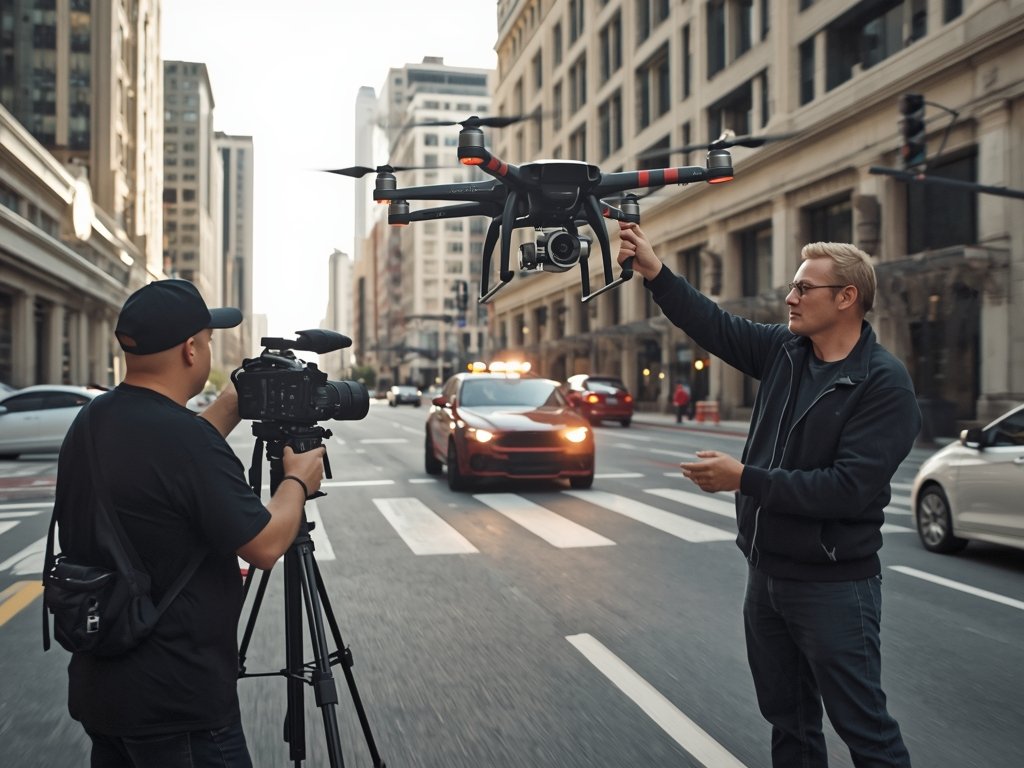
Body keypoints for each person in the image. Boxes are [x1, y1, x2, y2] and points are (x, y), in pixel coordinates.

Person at [618, 224, 919, 768]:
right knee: (789, 723)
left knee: (865, 731)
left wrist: (745, 478)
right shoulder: (786, 352)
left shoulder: (883, 383)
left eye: (806, 288)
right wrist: (657, 273)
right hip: (767, 577)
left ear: (847, 298)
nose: (790, 297)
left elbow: (847, 490)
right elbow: (715, 325)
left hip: (834, 586)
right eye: (793, 287)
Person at [52, 279, 326, 767]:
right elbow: (265, 545)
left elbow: (166, 461)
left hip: (104, 689)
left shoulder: (92, 420)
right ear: (191, 349)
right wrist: (298, 482)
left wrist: (231, 404)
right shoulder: (182, 442)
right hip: (177, 705)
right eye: (209, 339)